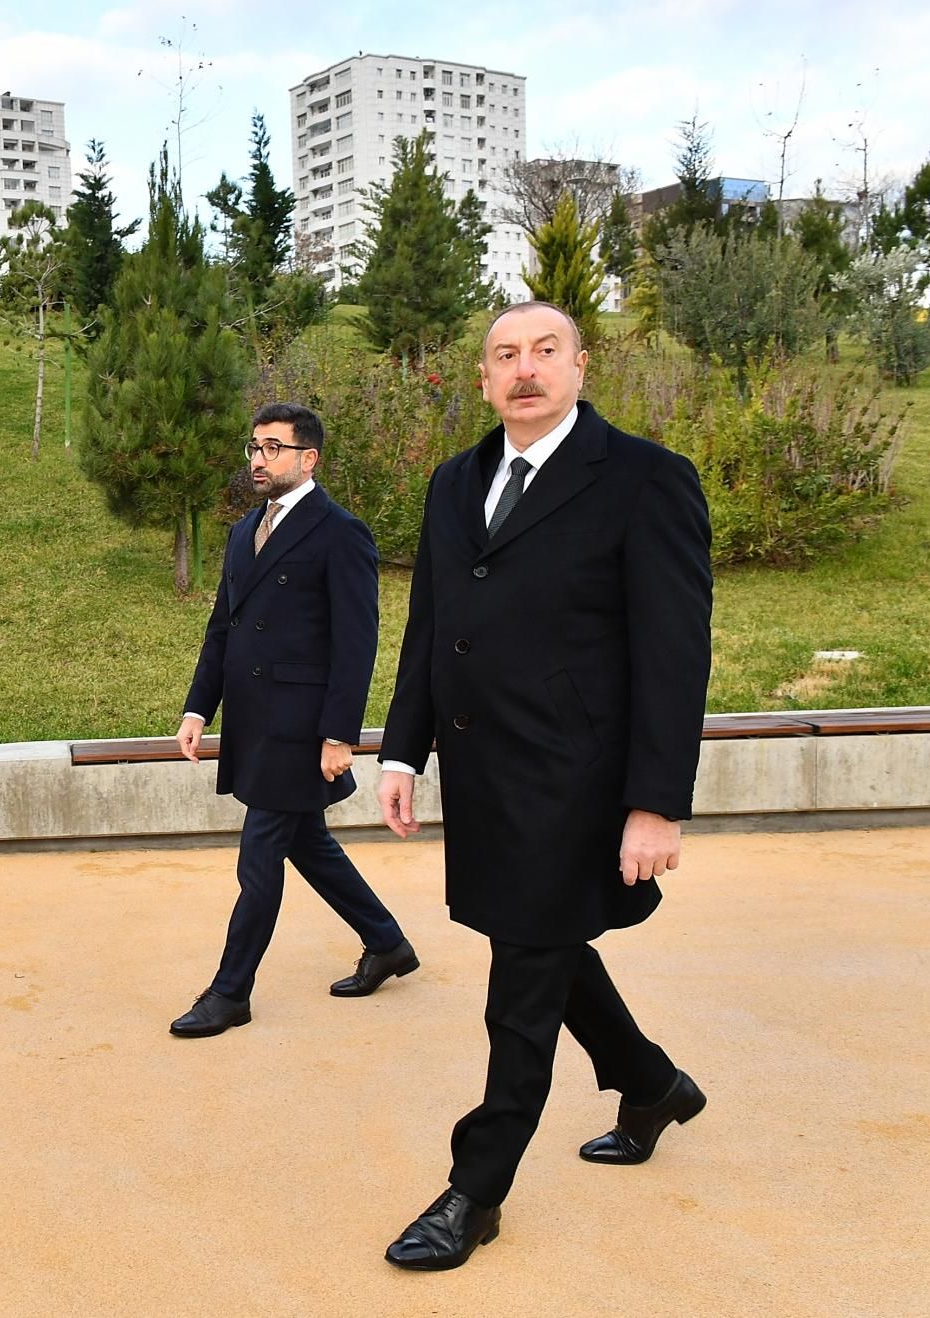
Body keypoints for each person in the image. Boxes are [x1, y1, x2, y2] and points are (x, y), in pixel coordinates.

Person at [375, 302, 713, 1270]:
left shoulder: (647, 479)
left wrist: (656, 801)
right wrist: (404, 752)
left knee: (520, 979)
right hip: (486, 778)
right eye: (506, 355)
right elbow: (431, 627)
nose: (525, 369)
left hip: (582, 783)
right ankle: (649, 1083)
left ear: (580, 364)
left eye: (545, 351)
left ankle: (474, 1189)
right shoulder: (453, 482)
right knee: (544, 941)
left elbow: (674, 655)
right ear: (483, 379)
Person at [169, 401, 418, 1040]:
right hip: (254, 723)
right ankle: (387, 942)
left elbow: (356, 641)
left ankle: (230, 994)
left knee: (259, 859)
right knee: (307, 843)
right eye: (254, 446)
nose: (259, 458)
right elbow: (222, 627)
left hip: (300, 727)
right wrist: (199, 706)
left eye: (273, 448)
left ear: (309, 458)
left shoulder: (341, 532)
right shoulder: (242, 531)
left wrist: (339, 733)